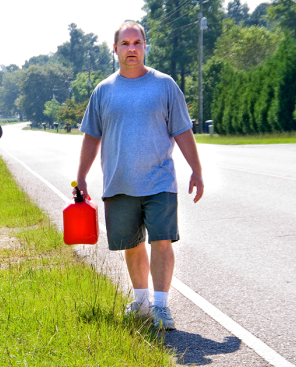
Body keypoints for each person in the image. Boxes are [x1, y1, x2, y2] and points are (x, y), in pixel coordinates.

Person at [76, 21, 204, 330]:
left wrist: (196, 170)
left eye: (137, 42)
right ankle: (141, 302)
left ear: (145, 46)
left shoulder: (164, 85)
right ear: (116, 49)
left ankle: (161, 306)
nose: (131, 48)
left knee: (161, 241)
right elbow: (92, 137)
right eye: (125, 43)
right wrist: (81, 177)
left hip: (159, 181)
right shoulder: (103, 90)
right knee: (132, 245)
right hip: (119, 183)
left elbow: (183, 131)